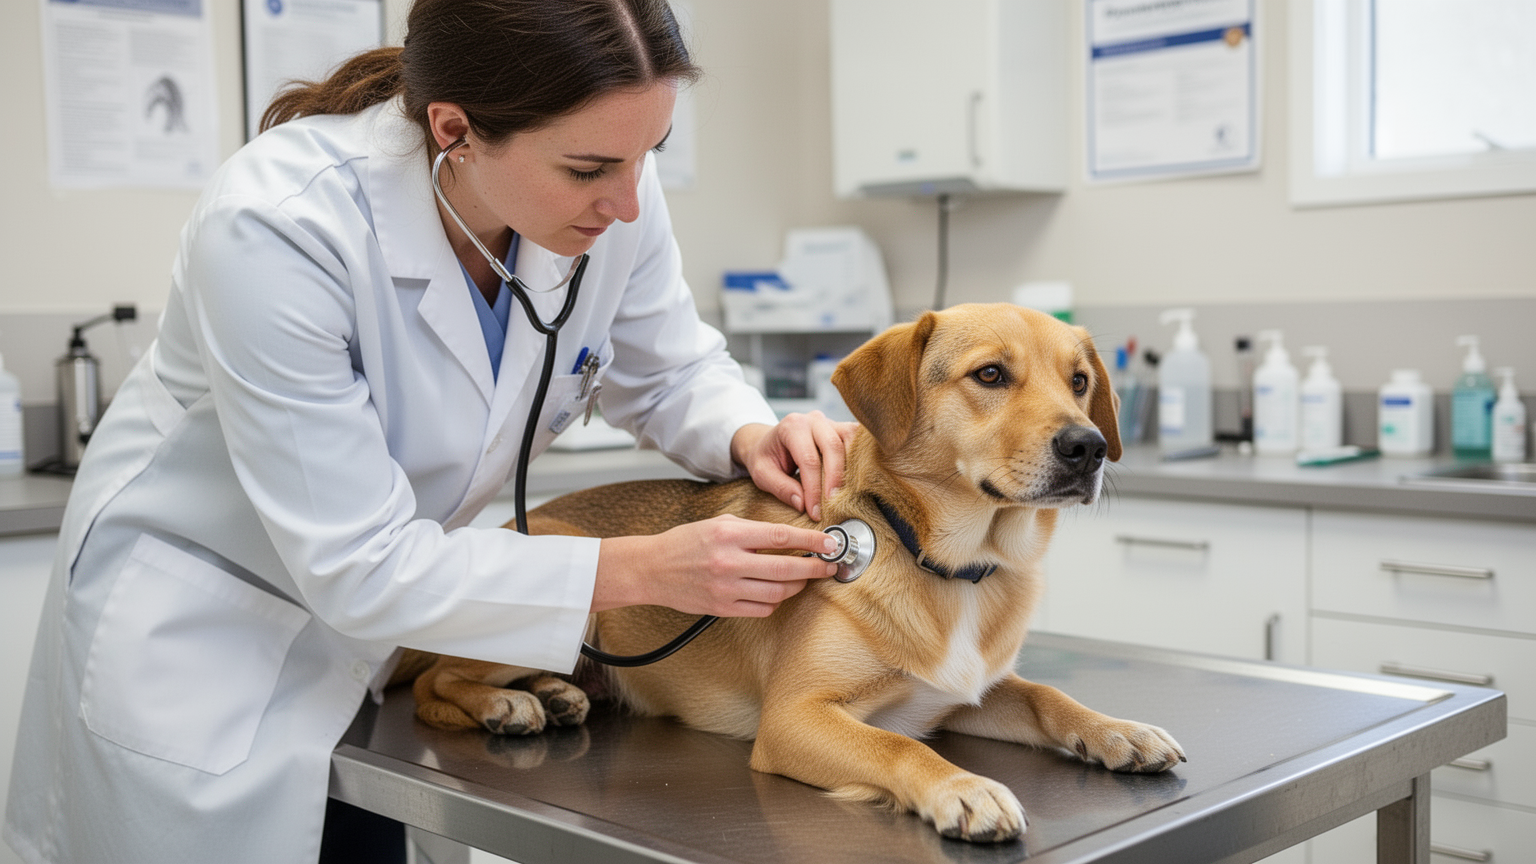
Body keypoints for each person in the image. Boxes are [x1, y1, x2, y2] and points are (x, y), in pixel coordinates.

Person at [3, 1, 856, 862]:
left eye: (649, 156)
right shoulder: (277, 228)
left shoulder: (606, 186)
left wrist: (749, 431)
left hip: (381, 647)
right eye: (592, 167)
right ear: (454, 129)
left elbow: (668, 366)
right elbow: (361, 563)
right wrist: (646, 568)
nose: (628, 203)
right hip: (204, 644)